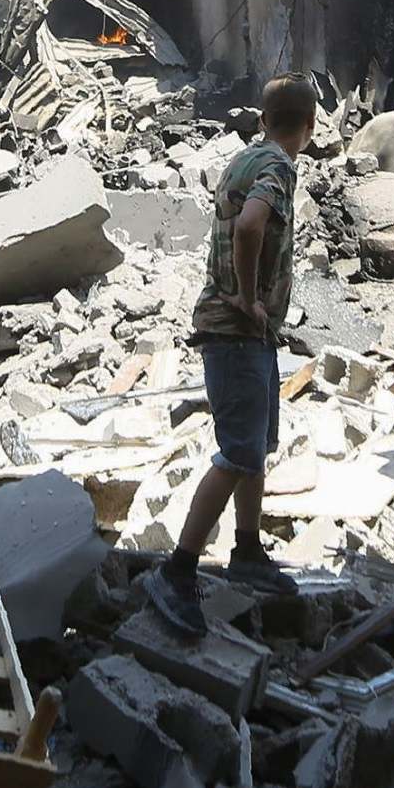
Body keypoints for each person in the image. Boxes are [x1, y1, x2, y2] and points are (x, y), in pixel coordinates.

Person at [143, 72, 317, 634]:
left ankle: (246, 552)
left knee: (254, 448)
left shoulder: (242, 160)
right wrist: (247, 298)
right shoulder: (280, 168)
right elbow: (249, 227)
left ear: (263, 120)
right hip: (236, 330)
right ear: (310, 128)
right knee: (237, 451)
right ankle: (178, 570)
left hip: (246, 335)